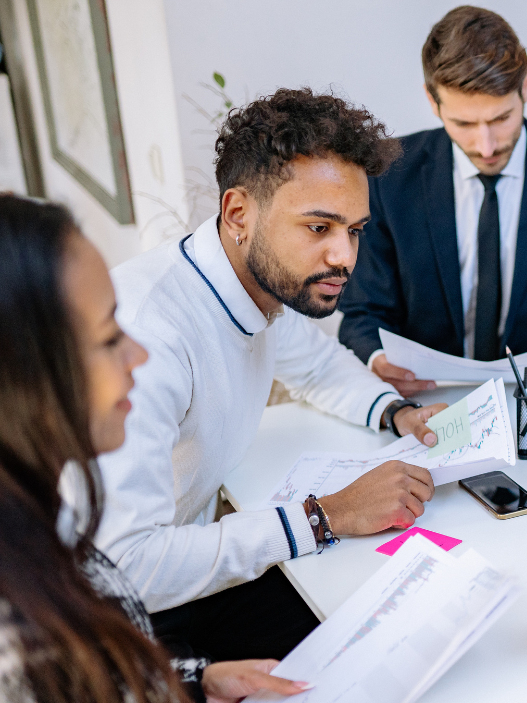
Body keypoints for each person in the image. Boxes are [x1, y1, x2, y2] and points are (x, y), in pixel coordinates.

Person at [96, 88, 452, 663]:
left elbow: (315, 364)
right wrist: (328, 515)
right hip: (114, 628)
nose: (346, 257)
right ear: (239, 213)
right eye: (319, 228)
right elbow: (125, 568)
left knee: (400, 629)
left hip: (184, 578)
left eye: (354, 230)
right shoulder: (151, 338)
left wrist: (395, 412)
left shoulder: (255, 285)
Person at [0, 195, 308, 703]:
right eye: (107, 339)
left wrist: (194, 682)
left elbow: (99, 673)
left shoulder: (40, 520)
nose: (138, 354)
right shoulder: (19, 641)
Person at [338, 5, 527, 406]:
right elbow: (364, 311)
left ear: (526, 90)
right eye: (464, 124)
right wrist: (378, 361)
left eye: (501, 118)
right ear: (433, 103)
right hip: (425, 407)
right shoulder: (387, 174)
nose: (486, 146)